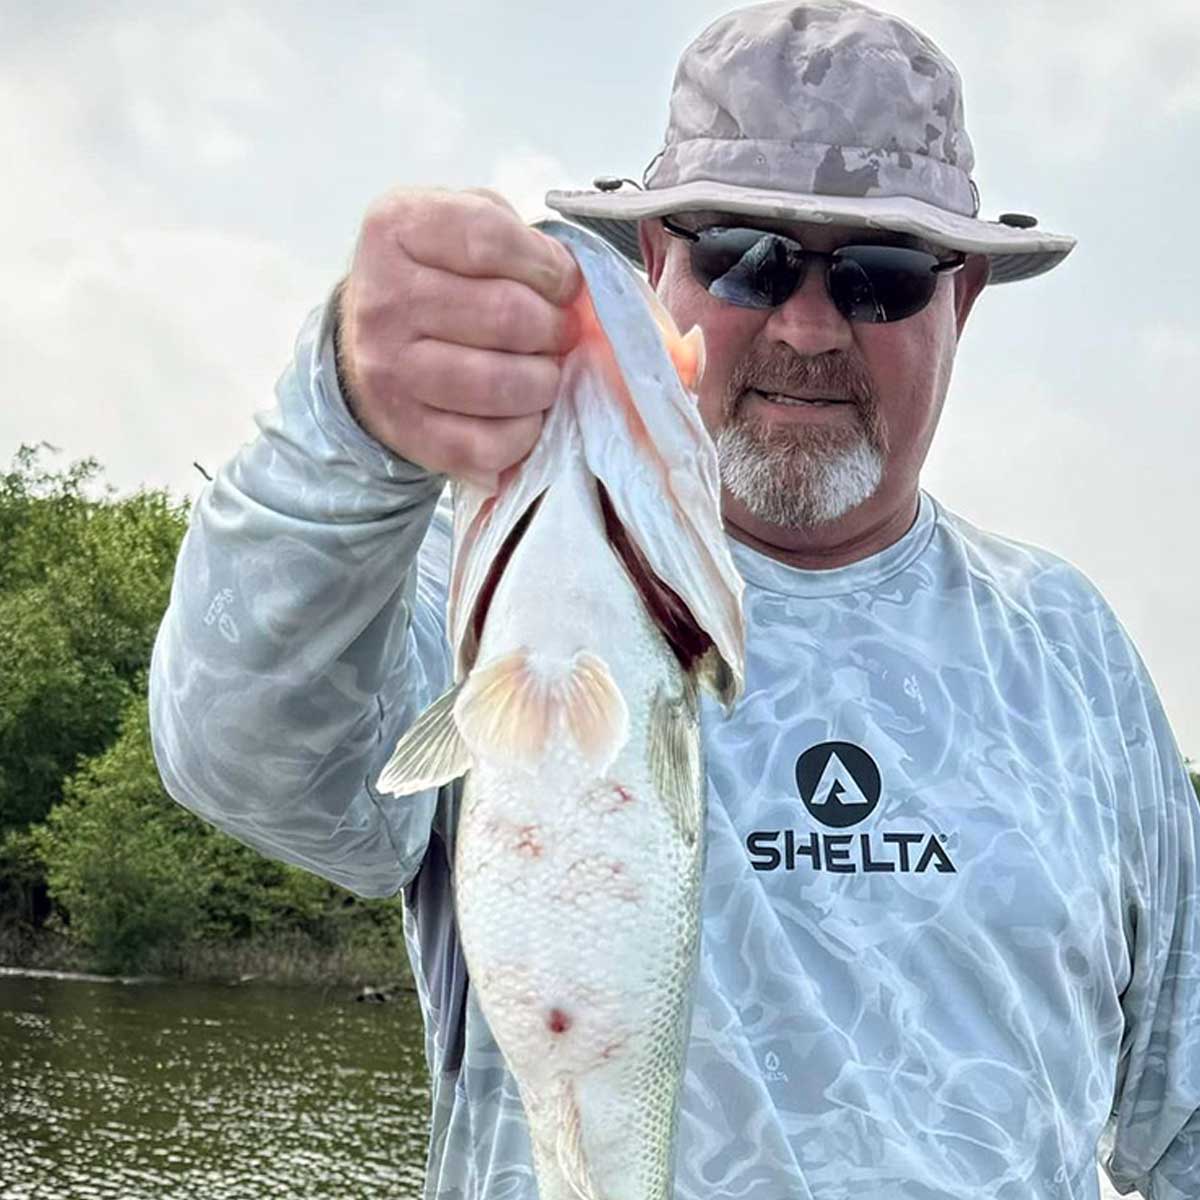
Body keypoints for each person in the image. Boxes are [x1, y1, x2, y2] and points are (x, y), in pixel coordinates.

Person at [147, 2, 1200, 1197]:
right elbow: (241, 757)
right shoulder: (492, 585)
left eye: (882, 277)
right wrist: (344, 411)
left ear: (962, 302)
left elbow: (1186, 1105)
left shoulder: (1070, 649)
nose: (806, 325)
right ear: (659, 270)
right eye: (740, 254)